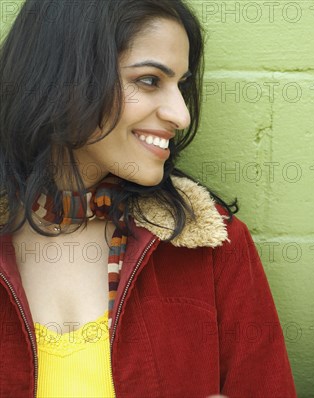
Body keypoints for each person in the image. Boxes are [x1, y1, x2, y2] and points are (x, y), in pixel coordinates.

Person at [0, 1, 296, 397]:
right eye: (150, 80)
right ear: (62, 79)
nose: (181, 114)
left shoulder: (212, 243)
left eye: (181, 85)